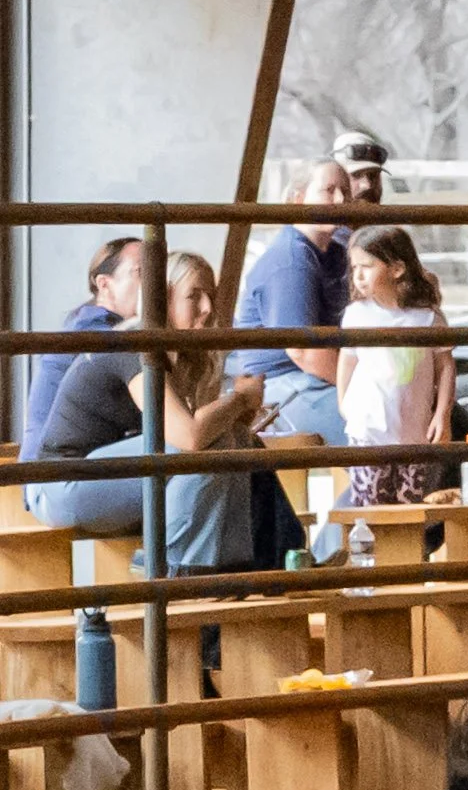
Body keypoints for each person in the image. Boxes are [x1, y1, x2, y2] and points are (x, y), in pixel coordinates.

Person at [32, 253, 260, 573]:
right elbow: (190, 437)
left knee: (235, 439)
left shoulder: (182, 354)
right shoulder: (133, 344)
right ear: (163, 299)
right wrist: (239, 399)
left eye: (212, 295)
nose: (208, 308)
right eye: (194, 295)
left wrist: (240, 416)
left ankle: (234, 565)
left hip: (107, 477)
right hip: (58, 484)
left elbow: (207, 431)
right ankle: (173, 563)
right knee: (195, 447)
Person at [19, 238, 142, 521]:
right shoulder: (102, 334)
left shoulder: (92, 326)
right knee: (185, 450)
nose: (157, 283)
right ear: (104, 284)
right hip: (51, 480)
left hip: (53, 474)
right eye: (141, 272)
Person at [231, 158, 352, 445]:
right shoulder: (291, 260)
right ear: (298, 200)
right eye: (329, 190)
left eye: (345, 191)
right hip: (281, 386)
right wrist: (368, 385)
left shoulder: (336, 252)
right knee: (379, 431)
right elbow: (303, 351)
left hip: (316, 380)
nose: (340, 199)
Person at [337, 226, 454, 505]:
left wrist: (442, 415)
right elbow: (348, 360)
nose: (359, 275)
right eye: (355, 267)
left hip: (414, 433)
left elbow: (445, 366)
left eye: (367, 266)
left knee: (409, 510)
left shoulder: (427, 318)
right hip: (368, 431)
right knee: (370, 507)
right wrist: (344, 403)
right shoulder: (356, 315)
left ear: (397, 269)